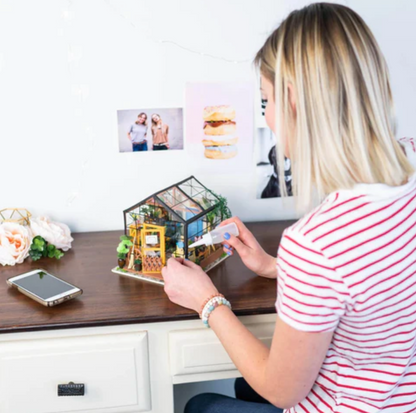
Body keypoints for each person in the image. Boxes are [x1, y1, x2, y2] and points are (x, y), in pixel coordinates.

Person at [161, 3, 416, 413]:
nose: (270, 118)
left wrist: (206, 301)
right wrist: (276, 267)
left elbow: (281, 392)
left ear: (294, 101)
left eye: (266, 101)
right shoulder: (410, 164)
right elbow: (373, 275)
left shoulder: (315, 244)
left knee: (202, 404)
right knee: (243, 390)